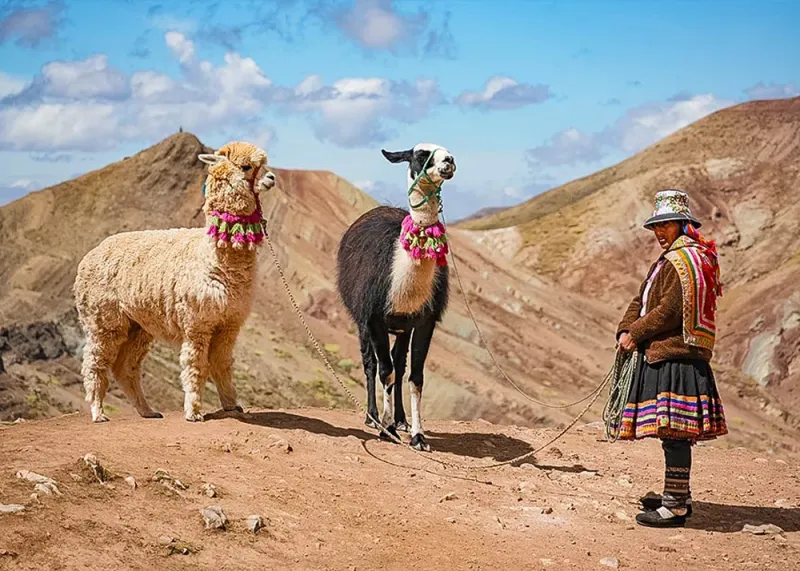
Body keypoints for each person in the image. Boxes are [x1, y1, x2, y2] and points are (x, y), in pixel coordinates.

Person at [615, 189, 728, 528]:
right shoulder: (669, 260)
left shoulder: (685, 261)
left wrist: (635, 334)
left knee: (676, 432)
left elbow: (669, 310)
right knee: (672, 432)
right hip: (665, 354)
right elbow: (643, 298)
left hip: (679, 357)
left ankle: (675, 504)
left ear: (682, 224)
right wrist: (625, 329)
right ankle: (676, 495)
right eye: (656, 226)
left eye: (665, 225)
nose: (659, 232)